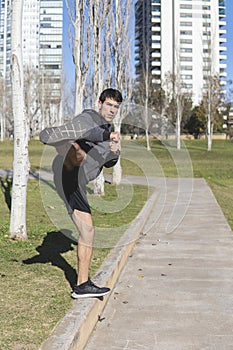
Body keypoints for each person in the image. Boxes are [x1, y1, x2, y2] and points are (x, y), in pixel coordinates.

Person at [39, 88, 123, 298]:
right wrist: (105, 136)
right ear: (100, 102)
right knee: (78, 151)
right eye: (109, 105)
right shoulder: (89, 117)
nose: (112, 110)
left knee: (87, 232)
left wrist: (114, 150)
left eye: (116, 107)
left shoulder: (109, 129)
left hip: (76, 181)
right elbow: (88, 131)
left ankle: (82, 285)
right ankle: (62, 142)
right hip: (68, 172)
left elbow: (110, 161)